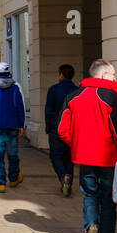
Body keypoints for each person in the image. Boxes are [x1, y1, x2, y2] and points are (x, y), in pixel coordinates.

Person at [58, 59, 117, 233]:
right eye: (113, 74)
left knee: (90, 194)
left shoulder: (73, 97)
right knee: (108, 200)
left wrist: (76, 144)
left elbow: (62, 129)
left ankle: (91, 225)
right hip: (110, 158)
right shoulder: (112, 97)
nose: (116, 78)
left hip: (84, 156)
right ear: (103, 75)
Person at [0, 61, 27, 192]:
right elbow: (21, 107)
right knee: (13, 154)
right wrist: (21, 124)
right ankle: (13, 179)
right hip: (13, 126)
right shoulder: (16, 87)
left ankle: (1, 183)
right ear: (9, 72)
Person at [45, 64, 81, 196]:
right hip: (73, 129)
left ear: (61, 74)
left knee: (55, 156)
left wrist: (48, 127)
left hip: (56, 128)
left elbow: (49, 110)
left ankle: (62, 177)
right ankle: (68, 182)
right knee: (69, 158)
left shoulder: (53, 89)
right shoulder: (78, 91)